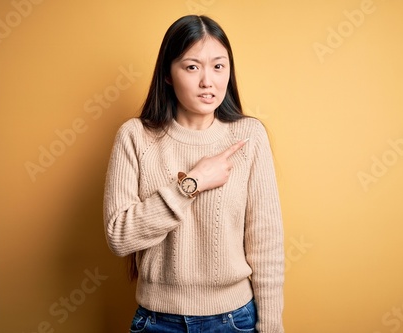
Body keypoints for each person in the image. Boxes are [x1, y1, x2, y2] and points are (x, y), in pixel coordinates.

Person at [103, 15, 284, 333]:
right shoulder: (135, 137)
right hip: (157, 322)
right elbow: (119, 236)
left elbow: (266, 245)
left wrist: (271, 327)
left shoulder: (249, 136)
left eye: (218, 66)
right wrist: (191, 184)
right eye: (191, 67)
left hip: (235, 320)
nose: (208, 81)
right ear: (168, 75)